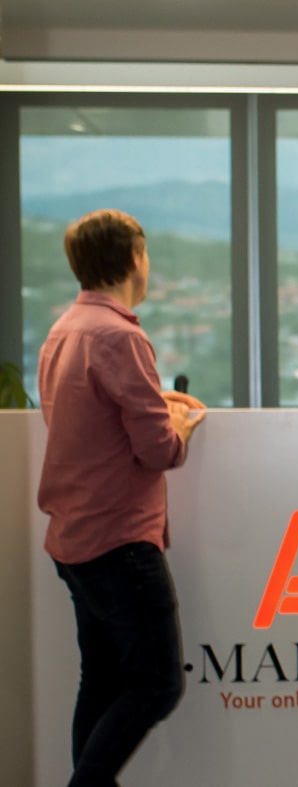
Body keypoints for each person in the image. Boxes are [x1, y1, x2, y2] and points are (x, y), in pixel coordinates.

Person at [37, 209, 206, 787]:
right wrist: (178, 426)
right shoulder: (120, 335)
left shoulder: (66, 329)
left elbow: (89, 415)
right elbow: (158, 451)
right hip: (119, 541)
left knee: (103, 679)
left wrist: (153, 400)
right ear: (135, 258)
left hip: (75, 536)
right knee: (157, 683)